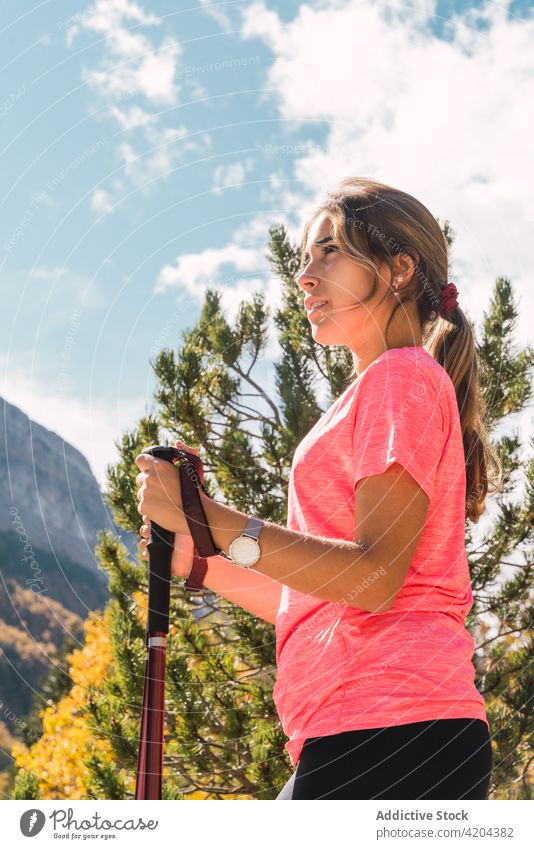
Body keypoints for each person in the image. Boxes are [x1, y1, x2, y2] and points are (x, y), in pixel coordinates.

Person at [135, 176, 503, 800]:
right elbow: (327, 598)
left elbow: (375, 577)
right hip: (366, 730)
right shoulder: (379, 390)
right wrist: (201, 562)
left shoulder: (402, 379)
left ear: (398, 270)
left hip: (394, 727)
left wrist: (208, 515)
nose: (305, 275)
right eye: (305, 257)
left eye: (329, 250)